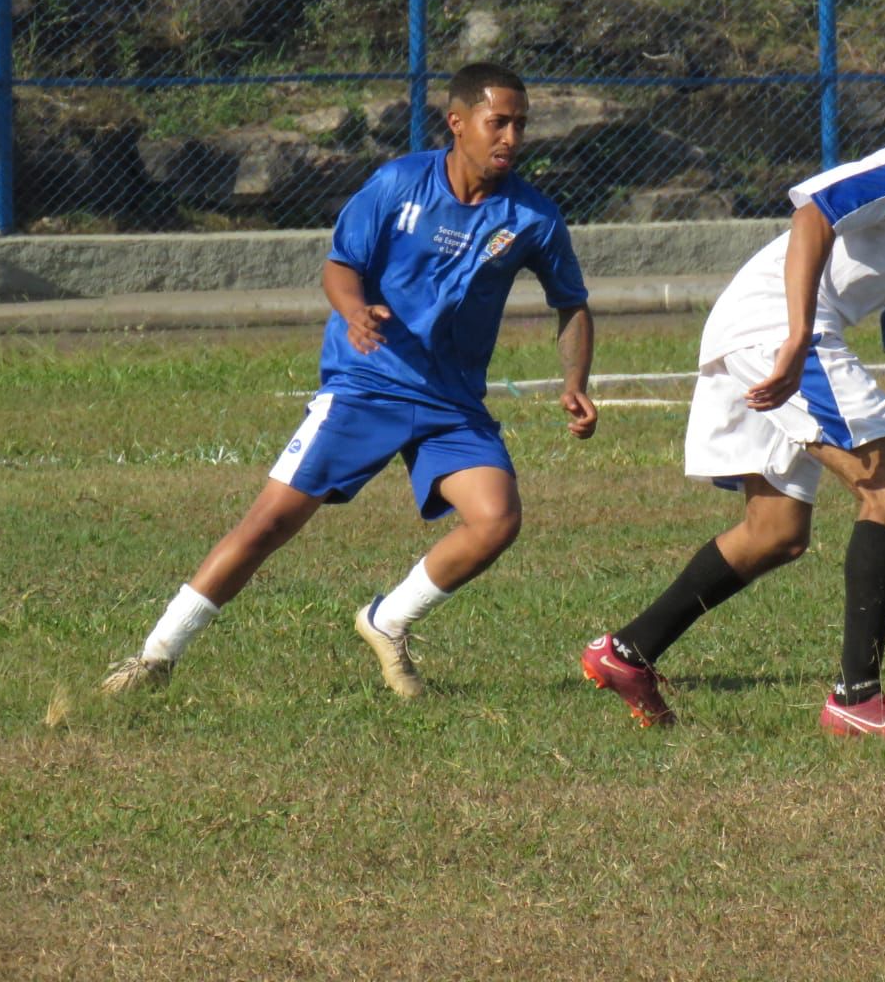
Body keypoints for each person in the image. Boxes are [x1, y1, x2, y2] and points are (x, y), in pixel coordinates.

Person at [581, 52, 885, 737]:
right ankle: (855, 699)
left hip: (769, 327)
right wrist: (798, 334)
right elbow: (814, 215)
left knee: (775, 534)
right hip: (775, 323)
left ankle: (626, 653)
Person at [100, 62, 598, 699]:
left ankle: (387, 621)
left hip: (451, 401)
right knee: (269, 524)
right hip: (369, 384)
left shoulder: (532, 216)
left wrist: (576, 382)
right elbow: (340, 266)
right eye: (497, 121)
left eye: (520, 125)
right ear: (458, 123)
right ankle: (155, 657)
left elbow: (572, 302)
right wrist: (354, 310)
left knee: (496, 520)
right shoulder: (398, 183)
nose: (511, 137)